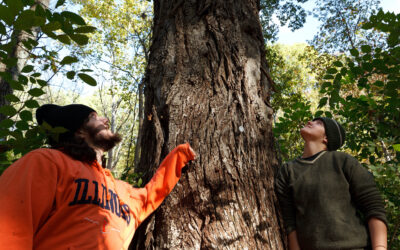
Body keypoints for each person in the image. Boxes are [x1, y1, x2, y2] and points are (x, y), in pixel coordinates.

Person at [0, 104, 196, 250]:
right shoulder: (47, 162)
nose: (105, 119)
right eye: (94, 116)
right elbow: (10, 227)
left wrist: (180, 156)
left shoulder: (122, 190)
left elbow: (152, 194)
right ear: (78, 129)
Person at [275, 117, 388, 250]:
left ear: (326, 138)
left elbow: (373, 206)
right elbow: (290, 222)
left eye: (318, 123)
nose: (309, 122)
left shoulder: (342, 161)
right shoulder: (288, 170)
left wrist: (380, 247)